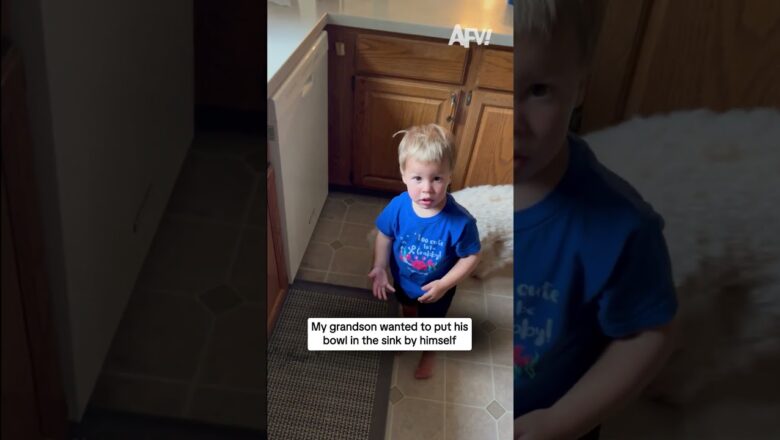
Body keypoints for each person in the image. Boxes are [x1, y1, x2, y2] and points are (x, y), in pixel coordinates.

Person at [514, 1, 678, 439]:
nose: (511, 125)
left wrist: (560, 422)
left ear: (581, 86)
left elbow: (648, 334)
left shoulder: (621, 227)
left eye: (537, 90)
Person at [368, 123, 481, 379]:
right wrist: (379, 266)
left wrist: (444, 283)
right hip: (403, 280)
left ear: (450, 175)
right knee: (407, 309)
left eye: (437, 178)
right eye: (417, 178)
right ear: (403, 175)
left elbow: (472, 255)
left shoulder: (461, 222)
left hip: (437, 289)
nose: (427, 189)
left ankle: (430, 350)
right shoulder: (398, 207)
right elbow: (384, 234)